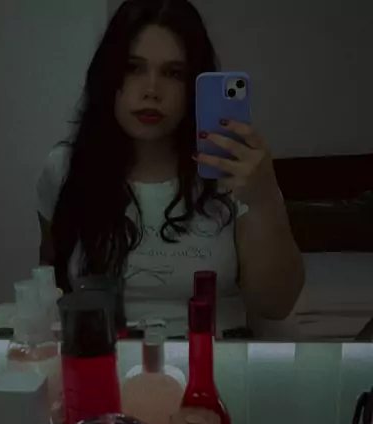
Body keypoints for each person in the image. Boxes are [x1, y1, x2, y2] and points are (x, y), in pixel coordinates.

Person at [35, 0, 305, 338]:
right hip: (104, 359)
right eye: (133, 68)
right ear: (109, 77)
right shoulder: (64, 169)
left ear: (193, 87)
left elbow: (276, 304)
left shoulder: (235, 171)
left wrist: (264, 200)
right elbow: (51, 282)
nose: (151, 91)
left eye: (173, 73)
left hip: (214, 359)